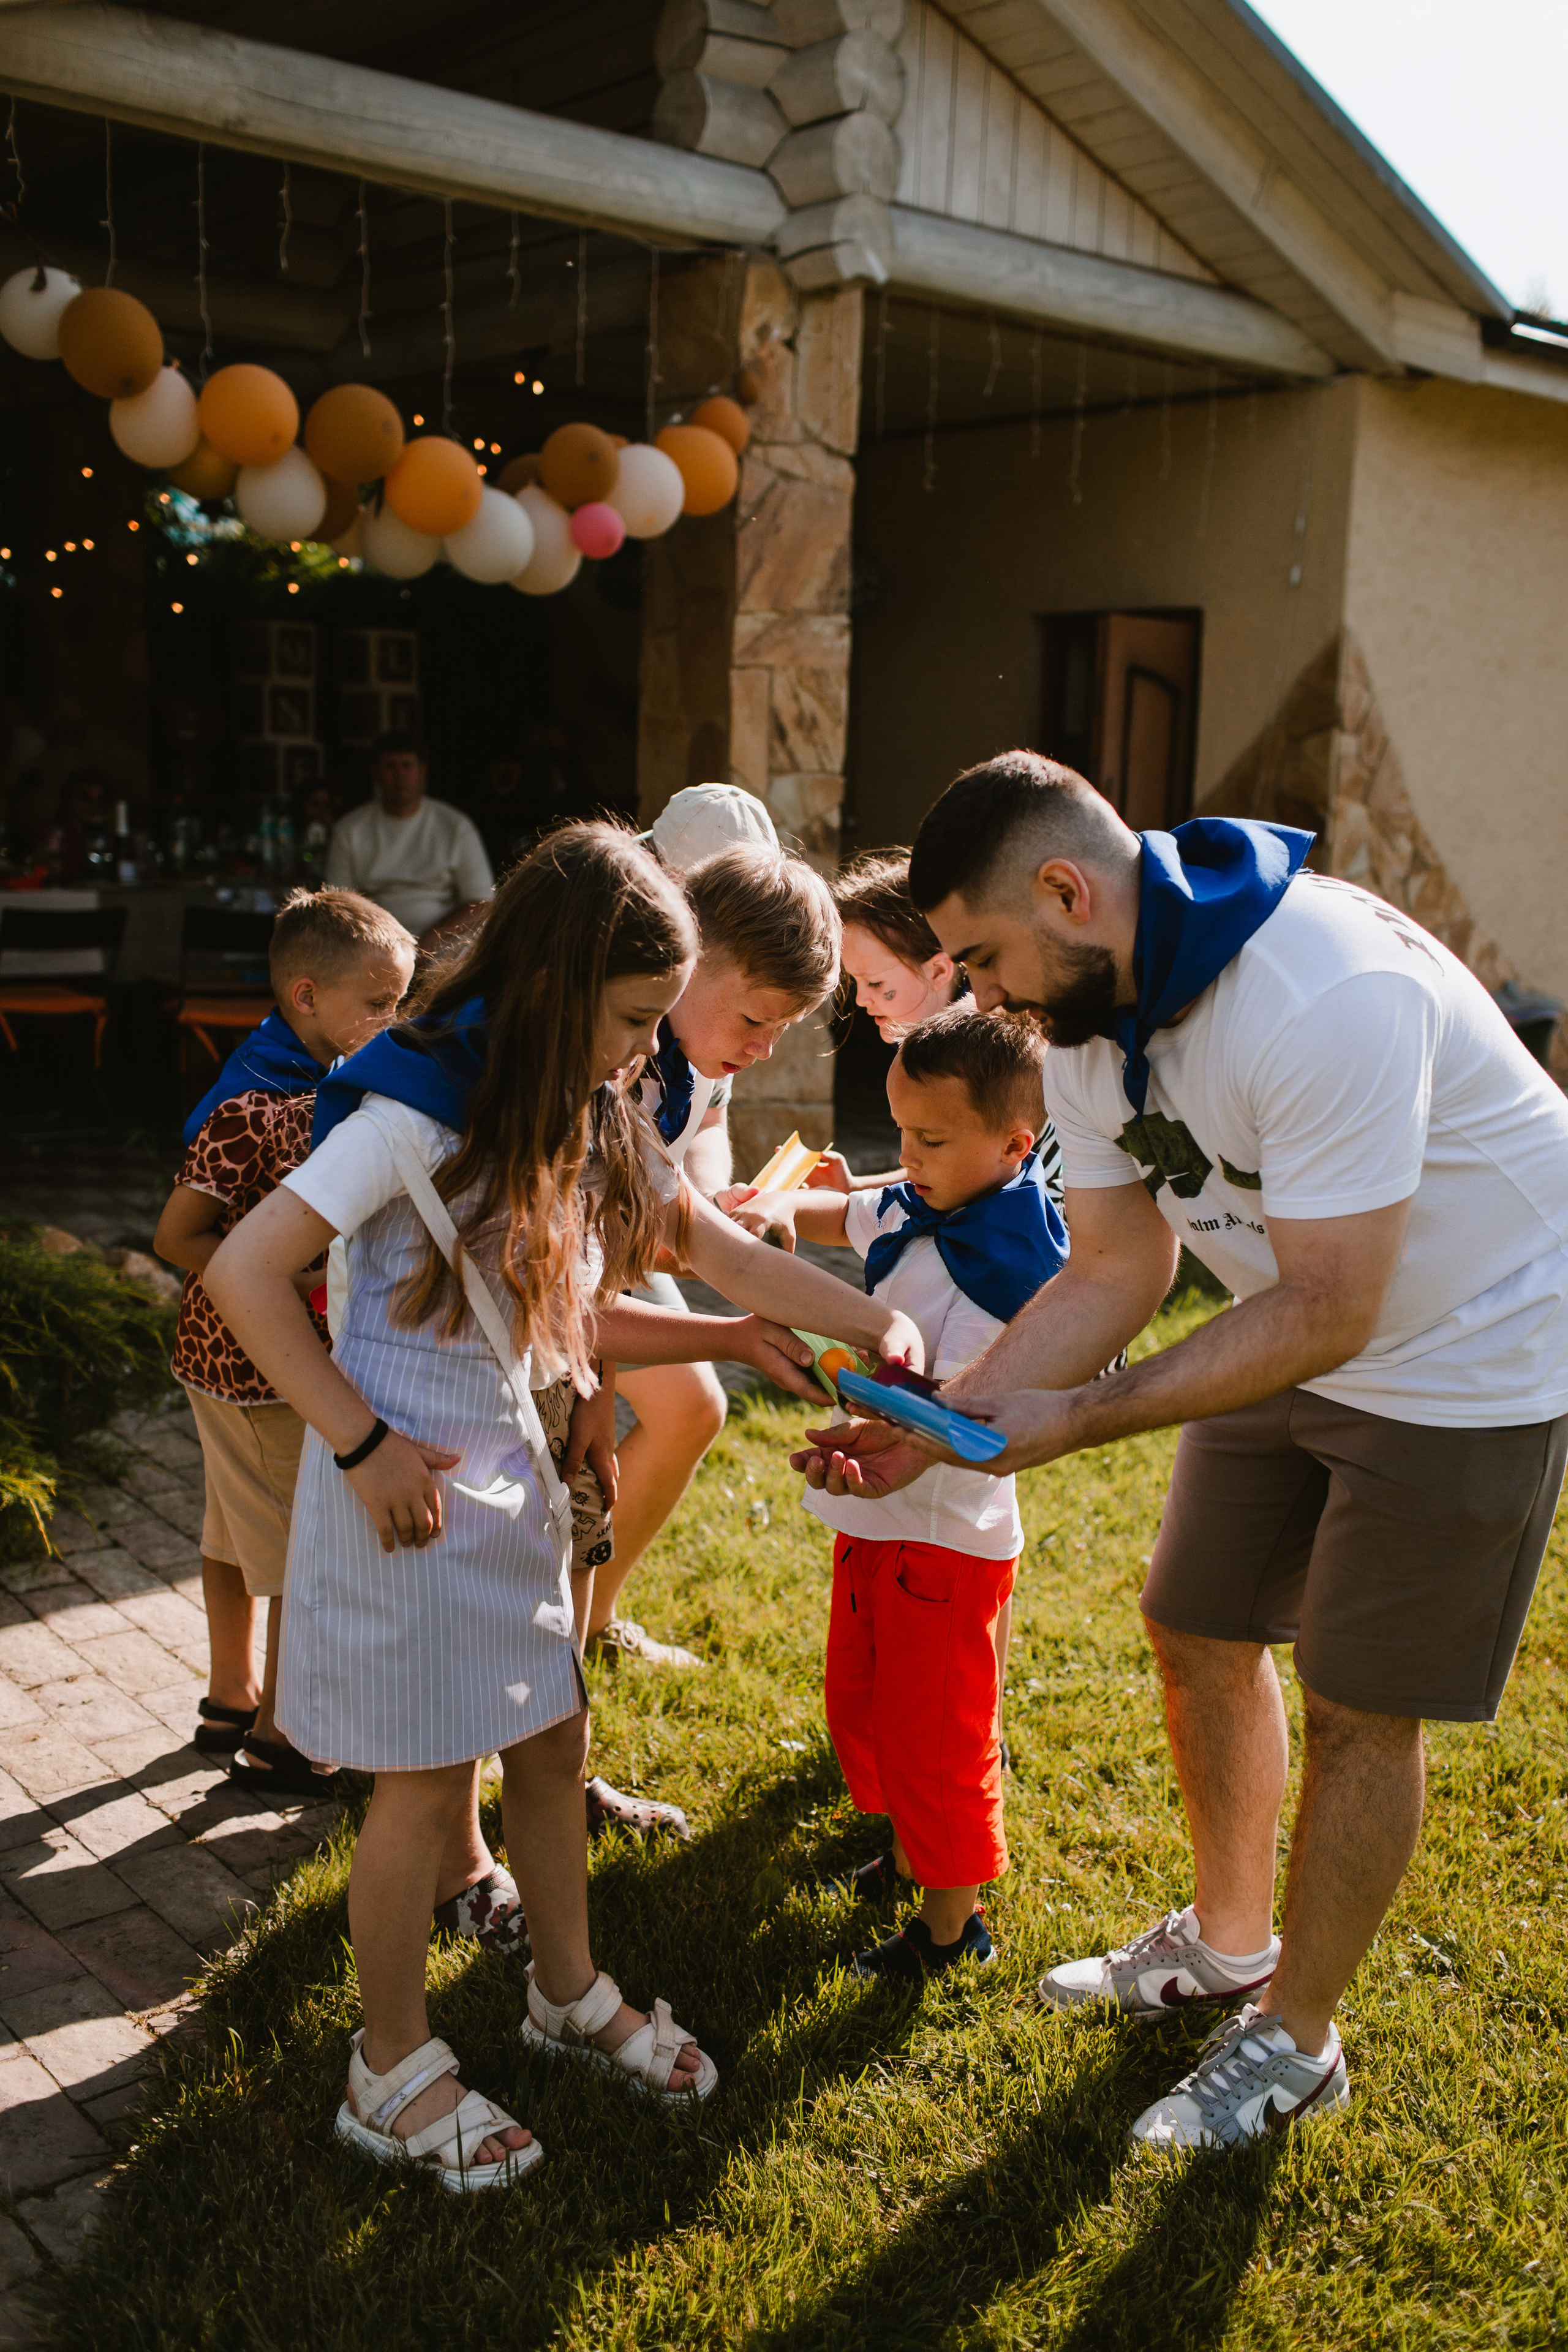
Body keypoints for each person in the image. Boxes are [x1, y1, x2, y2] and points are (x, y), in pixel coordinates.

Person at [798, 747, 1568, 2151]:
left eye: (977, 955)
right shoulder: (1083, 1016)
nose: (974, 995)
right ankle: (1226, 1943)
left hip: (1464, 1343)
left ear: (1063, 887)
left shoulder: (1321, 988)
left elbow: (1337, 1304)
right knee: (1193, 1619)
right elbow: (1108, 1270)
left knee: (1353, 1706)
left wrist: (1079, 1415)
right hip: (1295, 1306)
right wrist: (945, 1421)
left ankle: (1294, 2036)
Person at [203, 824, 919, 2191]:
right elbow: (245, 1273)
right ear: (551, 991)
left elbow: (699, 1242)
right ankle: (389, 2068)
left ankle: (565, 1989)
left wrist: (871, 1320)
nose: (646, 1052)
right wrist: (360, 1448)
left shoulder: (579, 1103)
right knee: (421, 1792)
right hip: (404, 1501)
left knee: (548, 1734)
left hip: (510, 1488)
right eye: (635, 1018)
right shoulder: (411, 1111)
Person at [741, 1006, 1066, 1980]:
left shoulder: (1031, 1270)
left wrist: (885, 1402)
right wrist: (759, 1212)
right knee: (868, 1701)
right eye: (900, 1132)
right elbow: (834, 1211)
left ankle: (950, 1926)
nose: (904, 1159)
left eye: (929, 1140)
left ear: (1014, 1147)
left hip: (949, 1540)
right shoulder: (910, 1201)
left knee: (939, 1730)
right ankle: (906, 1849)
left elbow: (994, 1411)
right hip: (874, 1518)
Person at [153, 887, 415, 1796]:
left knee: (231, 1533)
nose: (392, 1021)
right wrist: (299, 1277)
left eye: (400, 1002)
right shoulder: (258, 1103)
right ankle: (281, 1742)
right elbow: (176, 1238)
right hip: (257, 1370)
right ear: (307, 997)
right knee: (297, 1554)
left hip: (222, 1362)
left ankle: (230, 1696)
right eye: (377, 1003)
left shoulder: (304, 1075)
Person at [592, 810, 843, 1670]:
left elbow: (692, 1152)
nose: (765, 1051)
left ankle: (587, 1623)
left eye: (780, 1029)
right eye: (755, 1022)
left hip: (604, 1265)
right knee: (579, 1458)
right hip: (552, 1282)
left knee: (690, 1408)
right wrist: (694, 1235)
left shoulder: (700, 1040)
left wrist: (705, 1207)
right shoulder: (619, 1048)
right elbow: (604, 1257)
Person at [325, 731, 494, 953]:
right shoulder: (349, 829)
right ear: (375, 773)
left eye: (407, 765)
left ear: (422, 771)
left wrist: (430, 942)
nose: (399, 775)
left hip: (444, 946)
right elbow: (338, 902)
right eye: (390, 767)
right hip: (372, 945)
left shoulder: (456, 826)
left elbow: (481, 902)